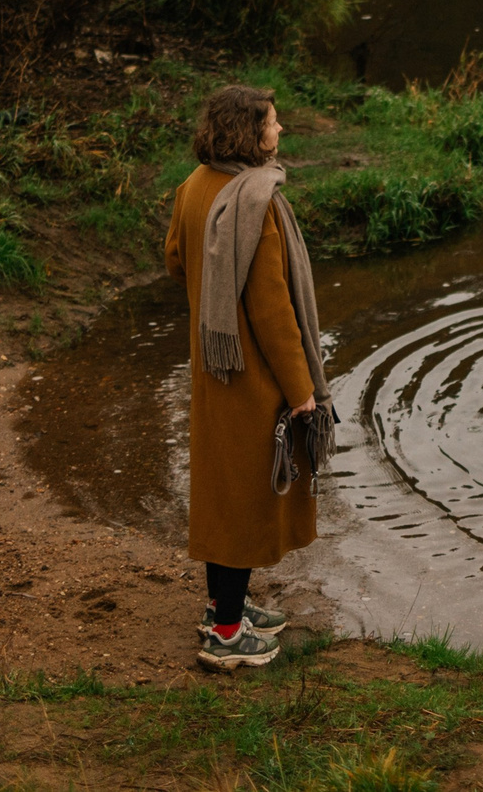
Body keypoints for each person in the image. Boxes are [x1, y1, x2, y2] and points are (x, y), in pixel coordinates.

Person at [162, 82, 331, 670]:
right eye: (273, 123)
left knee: (222, 491)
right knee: (244, 499)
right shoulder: (254, 201)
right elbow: (272, 310)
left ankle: (221, 608)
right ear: (249, 132)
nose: (280, 131)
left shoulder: (193, 187)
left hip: (214, 366)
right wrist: (302, 391)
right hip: (253, 374)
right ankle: (227, 637)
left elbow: (174, 257)